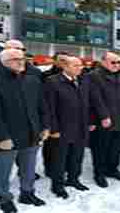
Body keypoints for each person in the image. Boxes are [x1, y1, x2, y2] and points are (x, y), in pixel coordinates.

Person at [0, 49, 51, 212]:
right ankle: (4, 197)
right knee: (3, 170)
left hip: (32, 133)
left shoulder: (33, 81)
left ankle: (27, 192)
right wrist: (2, 137)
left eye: (22, 59)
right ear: (3, 62)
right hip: (8, 137)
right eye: (15, 59)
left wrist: (45, 126)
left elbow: (42, 106)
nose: (21, 62)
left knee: (29, 167)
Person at [43, 56, 95, 198]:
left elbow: (88, 103)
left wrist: (90, 121)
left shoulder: (84, 80)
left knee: (77, 156)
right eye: (76, 65)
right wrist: (53, 129)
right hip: (62, 128)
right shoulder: (52, 81)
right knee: (59, 159)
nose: (80, 68)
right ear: (65, 66)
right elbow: (49, 107)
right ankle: (58, 185)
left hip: (81, 126)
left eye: (81, 65)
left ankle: (73, 179)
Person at [87, 52, 120, 188]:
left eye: (119, 62)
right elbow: (95, 98)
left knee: (115, 147)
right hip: (103, 120)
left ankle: (112, 169)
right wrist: (103, 116)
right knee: (101, 148)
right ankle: (99, 173)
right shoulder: (93, 76)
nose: (116, 65)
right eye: (113, 62)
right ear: (103, 62)